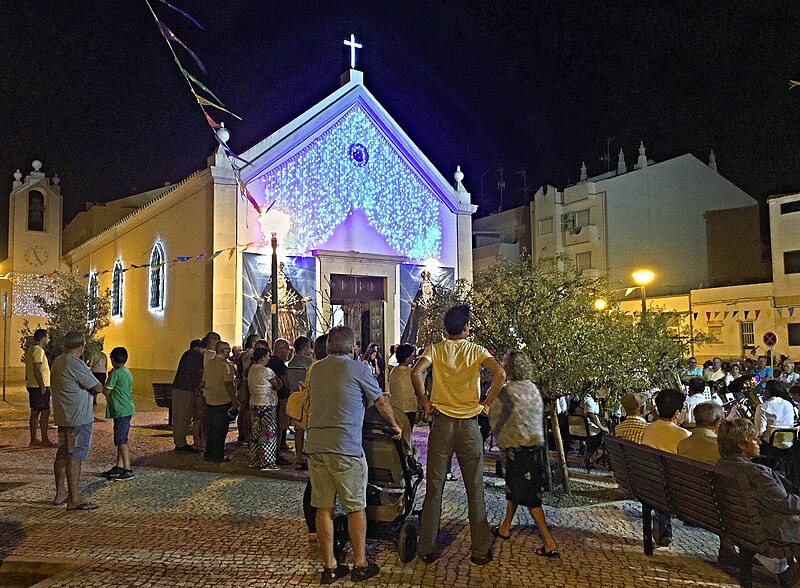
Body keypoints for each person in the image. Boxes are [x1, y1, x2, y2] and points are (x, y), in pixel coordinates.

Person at [411, 304, 506, 566]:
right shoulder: (476, 350)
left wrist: (425, 401)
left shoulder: (435, 349)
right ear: (465, 327)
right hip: (469, 425)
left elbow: (416, 372)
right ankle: (479, 551)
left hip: (441, 424)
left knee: (434, 489)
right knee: (474, 489)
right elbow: (500, 373)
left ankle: (427, 547)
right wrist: (487, 403)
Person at [305, 326, 401, 584]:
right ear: (352, 347)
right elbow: (380, 401)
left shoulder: (315, 369)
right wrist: (395, 425)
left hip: (316, 445)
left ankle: (331, 566)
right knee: (356, 506)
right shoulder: (358, 368)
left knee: (323, 507)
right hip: (345, 447)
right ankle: (360, 563)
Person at [489, 351, 559, 558]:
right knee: (516, 489)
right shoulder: (533, 388)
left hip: (516, 450)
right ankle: (505, 527)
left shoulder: (506, 392)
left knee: (530, 498)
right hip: (535, 448)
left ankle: (549, 542)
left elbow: (495, 418)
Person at [715, 419, 800, 586]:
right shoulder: (756, 473)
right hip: (764, 531)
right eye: (754, 438)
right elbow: (785, 504)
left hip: (739, 527)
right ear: (741, 444)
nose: (760, 442)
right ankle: (793, 575)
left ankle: (791, 573)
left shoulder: (722, 465)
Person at [51, 331, 103, 510]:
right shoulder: (75, 364)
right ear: (82, 345)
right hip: (78, 417)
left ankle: (60, 494)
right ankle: (74, 498)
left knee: (63, 453)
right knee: (75, 456)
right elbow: (97, 387)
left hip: (63, 415)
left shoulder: (58, 362)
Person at [641, 388, 690, 546]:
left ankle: (662, 521)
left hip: (648, 481)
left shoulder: (648, 428)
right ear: (677, 413)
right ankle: (663, 523)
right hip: (673, 489)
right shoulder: (683, 435)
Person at [101, 347, 135, 480]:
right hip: (126, 409)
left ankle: (127, 468)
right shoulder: (127, 372)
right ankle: (119, 465)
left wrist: (109, 376)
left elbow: (106, 390)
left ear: (113, 360)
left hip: (120, 410)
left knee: (121, 440)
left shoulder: (115, 373)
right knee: (121, 437)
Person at [203, 341, 238, 463]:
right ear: (223, 351)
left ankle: (209, 454)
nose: (230, 351)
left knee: (212, 429)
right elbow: (228, 383)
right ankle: (218, 455)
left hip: (210, 400)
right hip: (223, 400)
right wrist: (234, 401)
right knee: (221, 430)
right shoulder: (226, 365)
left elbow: (204, 381)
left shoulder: (209, 364)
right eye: (227, 349)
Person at [247, 347, 281, 470]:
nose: (269, 358)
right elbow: (277, 385)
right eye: (268, 356)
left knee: (255, 432)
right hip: (267, 403)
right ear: (262, 357)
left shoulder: (251, 369)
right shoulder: (267, 371)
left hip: (254, 403)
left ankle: (254, 459)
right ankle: (267, 462)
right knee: (268, 433)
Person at [171, 339, 204, 453]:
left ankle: (180, 443)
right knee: (183, 418)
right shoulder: (198, 355)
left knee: (179, 417)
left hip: (179, 388)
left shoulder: (189, 353)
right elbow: (201, 373)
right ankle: (180, 445)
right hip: (186, 389)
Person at [287, 336, 313, 469]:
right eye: (309, 347)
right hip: (306, 398)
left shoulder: (291, 362)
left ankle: (298, 457)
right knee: (310, 428)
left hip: (294, 397)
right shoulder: (308, 362)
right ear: (304, 348)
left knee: (298, 429)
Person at [24, 328, 52, 447]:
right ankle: (44, 439)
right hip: (39, 386)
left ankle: (34, 439)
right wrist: (42, 386)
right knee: (44, 412)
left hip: (33, 385)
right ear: (42, 338)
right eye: (47, 337)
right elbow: (37, 370)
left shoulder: (30, 350)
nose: (49, 340)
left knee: (35, 413)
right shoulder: (38, 351)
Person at [269, 338, 292, 460]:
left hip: (271, 398)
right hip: (280, 397)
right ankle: (276, 454)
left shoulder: (270, 361)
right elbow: (285, 381)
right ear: (281, 349)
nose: (288, 352)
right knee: (279, 426)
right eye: (287, 349)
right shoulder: (278, 364)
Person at [754, 379, 796, 448]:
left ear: (768, 391)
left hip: (770, 445)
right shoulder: (789, 404)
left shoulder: (763, 407)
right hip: (789, 443)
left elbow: (760, 431)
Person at [388, 344, 418, 427]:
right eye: (412, 356)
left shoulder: (393, 371)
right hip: (409, 407)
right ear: (406, 357)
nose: (413, 358)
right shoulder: (411, 372)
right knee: (407, 432)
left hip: (395, 406)